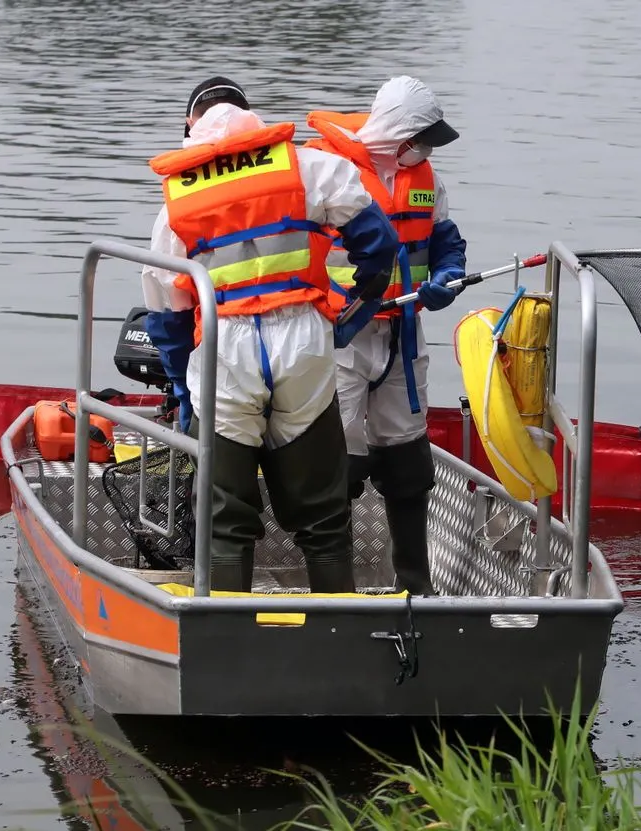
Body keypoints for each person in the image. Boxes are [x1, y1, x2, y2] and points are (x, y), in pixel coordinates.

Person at [139, 76, 400, 594]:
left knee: (224, 517)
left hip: (224, 349)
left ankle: (226, 635)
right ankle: (339, 630)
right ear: (251, 115)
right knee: (323, 516)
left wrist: (179, 385)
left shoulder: (176, 203)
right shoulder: (309, 166)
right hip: (303, 343)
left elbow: (167, 313)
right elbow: (378, 243)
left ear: (191, 125)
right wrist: (353, 310)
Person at [303, 76, 469, 596]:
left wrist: (447, 277)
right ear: (398, 131)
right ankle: (333, 591)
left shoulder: (426, 178)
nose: (425, 148)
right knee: (338, 461)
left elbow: (446, 241)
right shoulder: (320, 171)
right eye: (420, 136)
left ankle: (416, 587)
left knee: (407, 460)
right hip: (340, 333)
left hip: (403, 332)